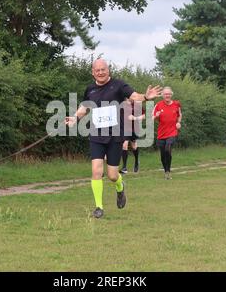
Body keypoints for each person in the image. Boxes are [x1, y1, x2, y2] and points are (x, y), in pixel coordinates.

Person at [65, 59, 162, 218]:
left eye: (103, 69)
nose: (101, 72)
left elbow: (134, 96)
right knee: (96, 171)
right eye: (97, 70)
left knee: (112, 175)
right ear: (93, 72)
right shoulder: (90, 89)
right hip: (96, 135)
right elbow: (84, 107)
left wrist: (146, 97)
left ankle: (120, 187)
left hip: (115, 136)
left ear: (108, 70)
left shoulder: (118, 85)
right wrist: (75, 118)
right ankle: (98, 207)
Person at [152, 87, 182, 180]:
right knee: (163, 154)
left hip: (172, 132)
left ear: (171, 94)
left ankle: (168, 171)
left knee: (168, 149)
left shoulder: (176, 104)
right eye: (165, 94)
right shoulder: (158, 105)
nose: (167, 96)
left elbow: (180, 115)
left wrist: (178, 122)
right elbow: (151, 117)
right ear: (162, 95)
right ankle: (166, 171)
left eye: (169, 94)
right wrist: (155, 116)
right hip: (161, 134)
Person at [120, 99, 145, 174]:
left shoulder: (137, 105)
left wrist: (135, 118)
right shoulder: (122, 104)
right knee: (124, 145)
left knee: (134, 146)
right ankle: (124, 167)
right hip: (125, 128)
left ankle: (136, 161)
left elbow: (144, 116)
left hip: (134, 128)